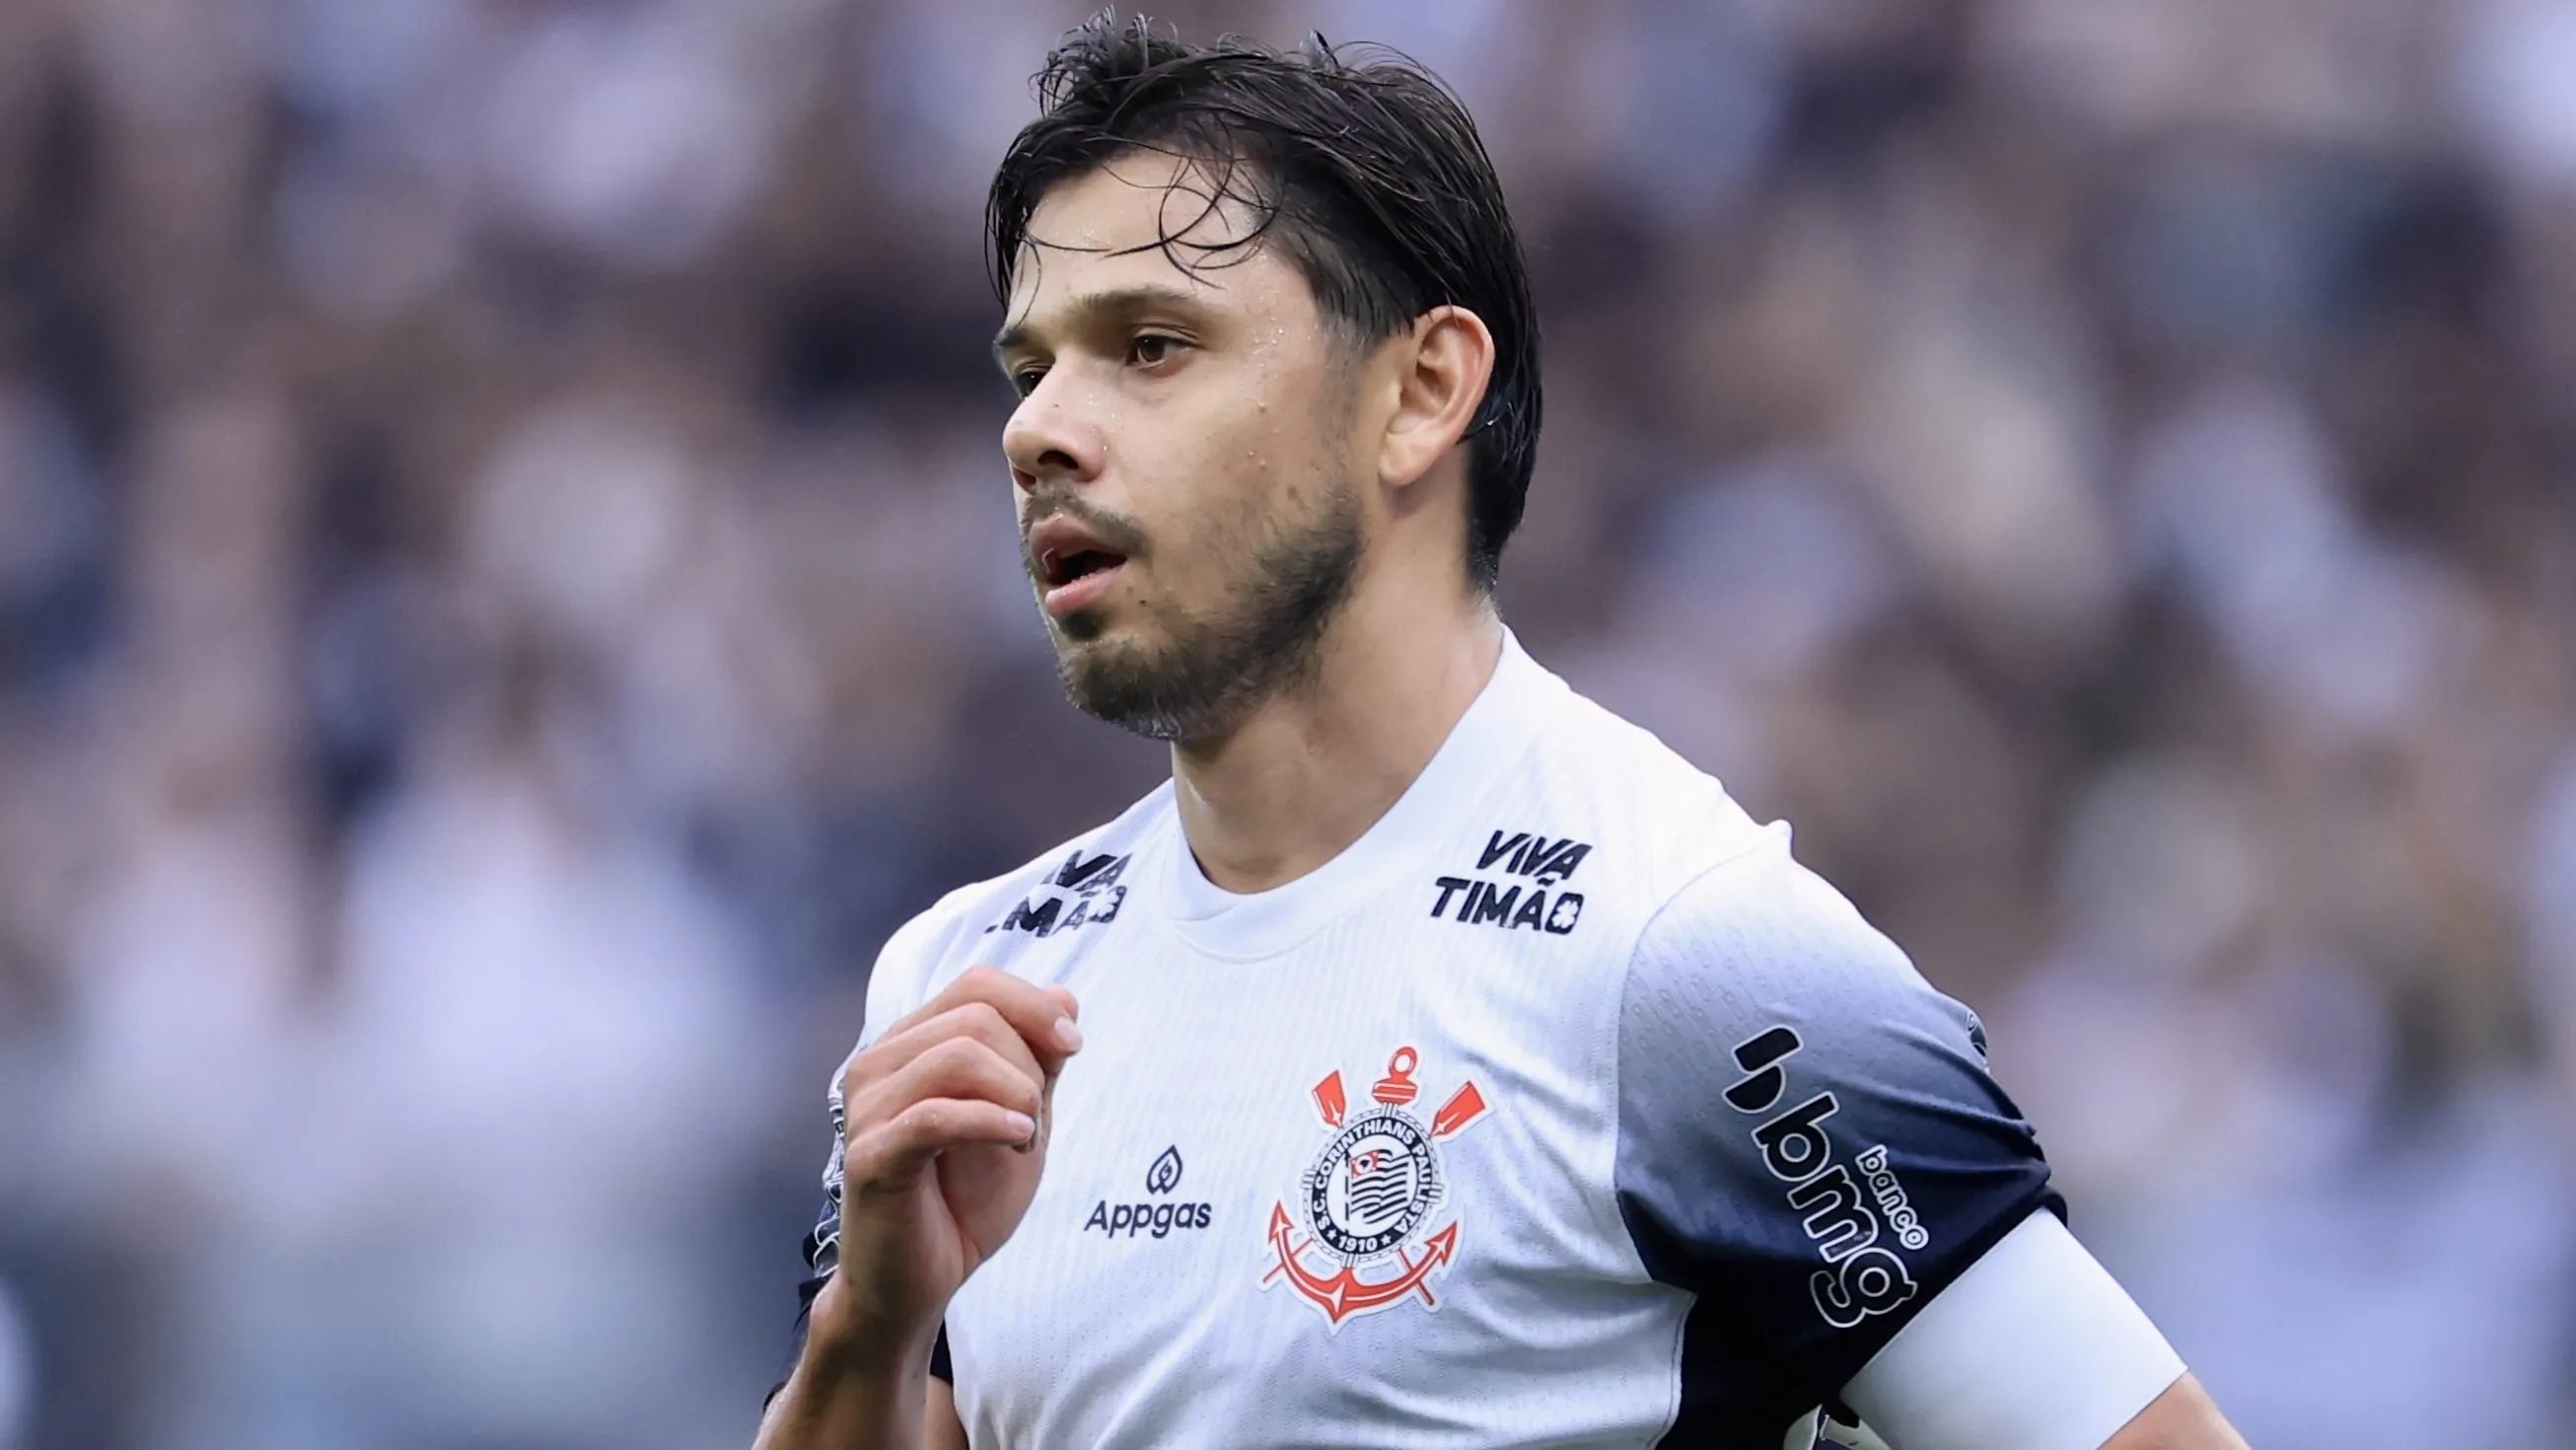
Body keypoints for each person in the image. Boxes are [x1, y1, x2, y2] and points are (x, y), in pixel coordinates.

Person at [753, 18, 2248, 1450]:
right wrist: (870, 1328)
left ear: (1420, 391)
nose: (1038, 430)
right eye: (1031, 370)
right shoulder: (966, 978)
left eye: (1149, 345)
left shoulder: (1688, 962)